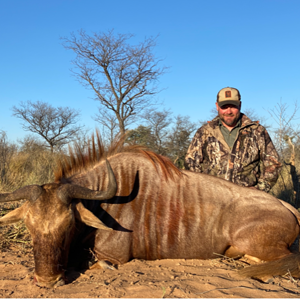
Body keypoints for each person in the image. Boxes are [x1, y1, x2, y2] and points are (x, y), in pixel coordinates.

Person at [184, 87, 281, 192]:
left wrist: (260, 189)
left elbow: (274, 163)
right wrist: (201, 190)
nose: (228, 111)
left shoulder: (257, 131)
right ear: (217, 106)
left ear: (239, 105)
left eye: (233, 106)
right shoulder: (204, 132)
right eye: (224, 107)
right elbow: (191, 164)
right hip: (212, 197)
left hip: (246, 198)